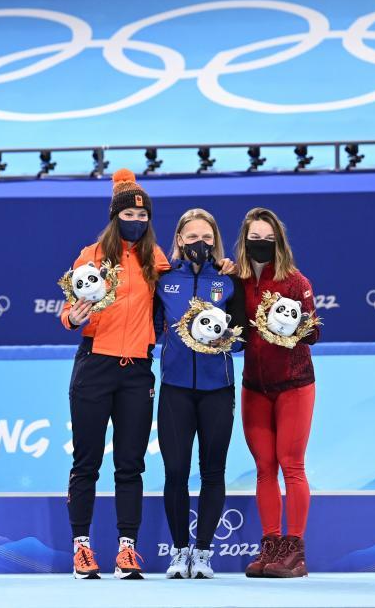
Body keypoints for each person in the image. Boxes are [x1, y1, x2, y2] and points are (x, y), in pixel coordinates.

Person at [60, 168, 169, 580]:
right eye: (129, 216)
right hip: (95, 366)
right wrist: (73, 316)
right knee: (86, 463)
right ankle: (81, 548)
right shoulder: (91, 256)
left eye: (143, 218)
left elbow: (182, 293)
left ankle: (127, 549)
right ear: (114, 216)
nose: (136, 222)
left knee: (130, 464)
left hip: (138, 371)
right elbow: (67, 312)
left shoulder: (155, 258)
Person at [153, 208, 246, 579]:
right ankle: (179, 553)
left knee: (212, 471)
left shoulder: (228, 281)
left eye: (207, 238)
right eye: (192, 237)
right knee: (175, 471)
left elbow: (241, 340)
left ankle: (204, 553)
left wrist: (225, 338)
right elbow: (149, 326)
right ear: (178, 240)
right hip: (175, 388)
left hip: (217, 390)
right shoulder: (162, 280)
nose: (200, 244)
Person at [235, 207, 320, 579]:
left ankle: (295, 551)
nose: (261, 245)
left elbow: (314, 332)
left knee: (291, 464)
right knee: (264, 468)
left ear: (279, 241)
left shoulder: (295, 281)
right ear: (244, 241)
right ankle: (271, 546)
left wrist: (296, 328)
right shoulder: (236, 280)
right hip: (254, 386)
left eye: (267, 239)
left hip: (294, 385)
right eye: (254, 239)